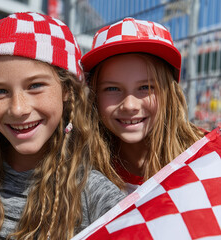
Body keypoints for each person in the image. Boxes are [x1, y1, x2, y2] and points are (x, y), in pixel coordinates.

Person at [0, 12, 126, 240]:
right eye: (0, 91)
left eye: (35, 86)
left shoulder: (94, 194)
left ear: (67, 90)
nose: (18, 109)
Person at [81, 18, 205, 194]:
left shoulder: (207, 157)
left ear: (169, 94)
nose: (130, 105)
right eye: (112, 88)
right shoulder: (78, 172)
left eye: (146, 87)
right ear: (94, 96)